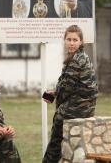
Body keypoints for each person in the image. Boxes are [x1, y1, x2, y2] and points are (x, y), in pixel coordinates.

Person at [42, 25, 98, 162]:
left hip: (80, 107)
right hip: (84, 106)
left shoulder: (76, 60)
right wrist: (55, 92)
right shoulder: (79, 56)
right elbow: (67, 84)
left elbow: (66, 89)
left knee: (55, 139)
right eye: (69, 39)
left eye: (75, 40)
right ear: (64, 41)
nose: (71, 43)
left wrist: (54, 97)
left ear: (81, 42)